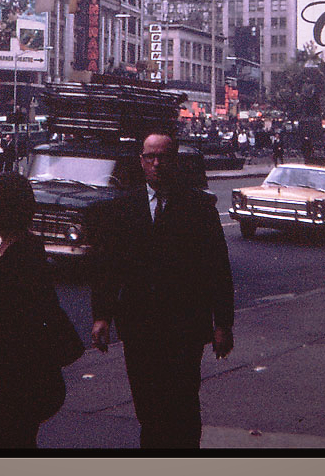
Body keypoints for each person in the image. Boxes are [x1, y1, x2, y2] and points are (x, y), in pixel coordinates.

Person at [89, 132, 235, 450]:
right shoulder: (123, 207)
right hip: (139, 327)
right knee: (147, 405)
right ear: (141, 161)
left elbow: (218, 268)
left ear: (175, 161)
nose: (157, 164)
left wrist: (223, 323)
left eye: (164, 157)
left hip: (185, 328)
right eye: (150, 157)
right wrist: (102, 316)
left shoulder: (198, 206)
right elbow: (108, 266)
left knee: (182, 403)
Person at [0, 173, 76, 450]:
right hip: (23, 371)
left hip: (23, 372)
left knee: (1, 441)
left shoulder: (21, 252)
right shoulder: (21, 244)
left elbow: (17, 313)